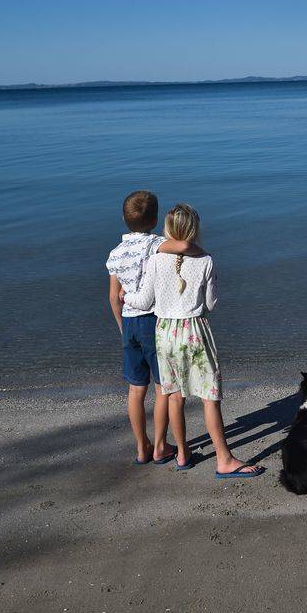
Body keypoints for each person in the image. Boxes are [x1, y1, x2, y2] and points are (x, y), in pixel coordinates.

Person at [124, 203, 263, 479]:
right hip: (194, 331)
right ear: (195, 230)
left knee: (174, 396)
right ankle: (223, 459)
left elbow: (145, 301)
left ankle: (183, 454)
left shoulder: (155, 258)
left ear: (167, 230)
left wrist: (124, 298)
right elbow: (210, 304)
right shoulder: (206, 260)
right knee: (210, 398)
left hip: (164, 332)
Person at [106, 190, 192, 466]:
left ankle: (141, 447)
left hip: (129, 323)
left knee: (135, 389)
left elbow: (112, 296)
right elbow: (181, 247)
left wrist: (122, 326)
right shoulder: (155, 244)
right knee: (163, 387)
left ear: (123, 218)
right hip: (154, 321)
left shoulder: (116, 254)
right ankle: (159, 445)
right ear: (155, 219)